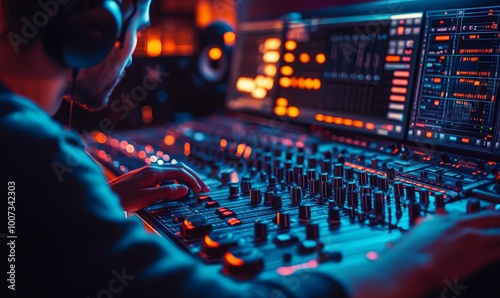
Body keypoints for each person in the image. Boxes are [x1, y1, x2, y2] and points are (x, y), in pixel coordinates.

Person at [1, 1, 499, 297]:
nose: (134, 47)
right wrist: (414, 261)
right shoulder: (29, 154)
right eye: (138, 26)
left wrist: (93, 208)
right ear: (96, 30)